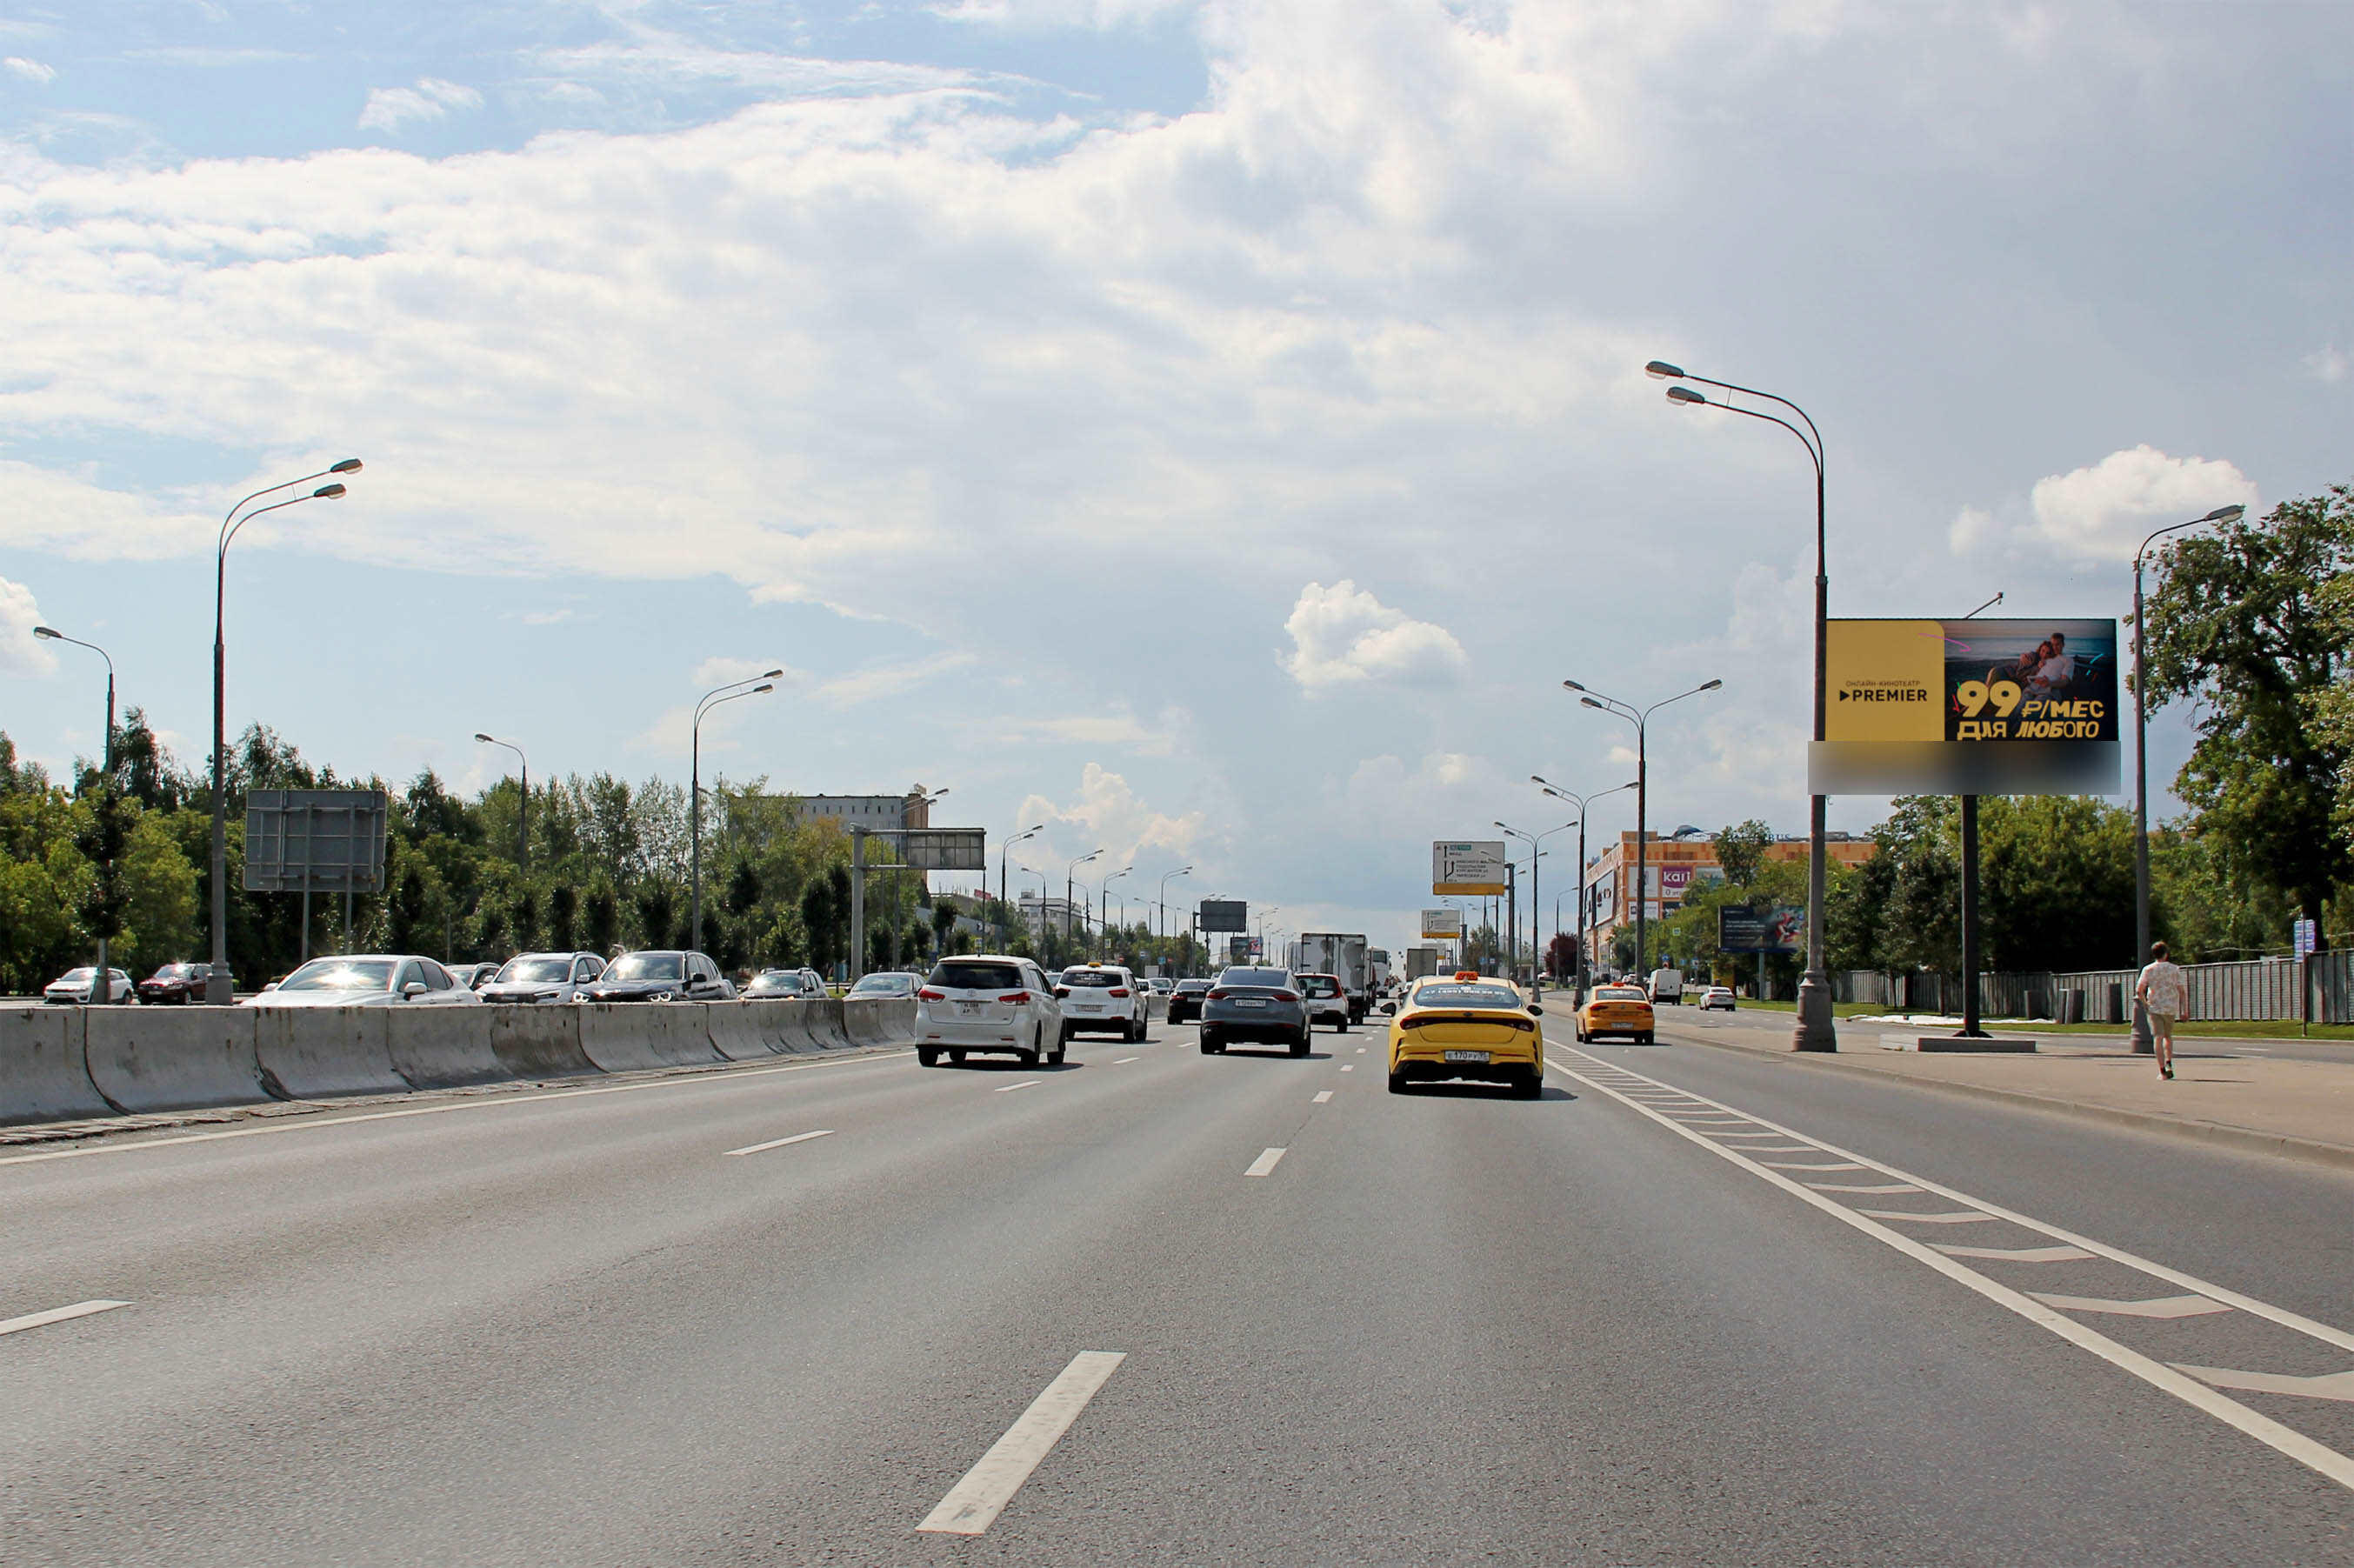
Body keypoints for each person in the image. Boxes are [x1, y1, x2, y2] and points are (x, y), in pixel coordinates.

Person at [2135, 939, 2190, 1079]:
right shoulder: (2174, 969)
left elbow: (2139, 990)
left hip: (2154, 1008)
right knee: (2168, 1037)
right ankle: (2169, 1061)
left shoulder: (2148, 970)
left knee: (2157, 1038)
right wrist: (2185, 1010)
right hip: (2170, 1007)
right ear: (2165, 954)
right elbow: (2181, 991)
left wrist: (2145, 1003)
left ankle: (2162, 1071)